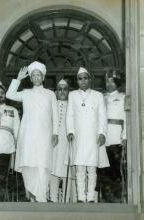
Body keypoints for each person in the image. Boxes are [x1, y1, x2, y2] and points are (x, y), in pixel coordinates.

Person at [6, 61, 58, 202]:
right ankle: (32, 196)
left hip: (45, 134)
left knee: (43, 163)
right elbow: (9, 95)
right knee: (28, 163)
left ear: (42, 77)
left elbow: (55, 115)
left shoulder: (50, 94)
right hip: (28, 134)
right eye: (33, 75)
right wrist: (18, 79)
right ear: (31, 78)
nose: (36, 77)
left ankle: (41, 196)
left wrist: (55, 133)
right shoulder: (26, 93)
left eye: (38, 75)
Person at [66, 67, 109, 203]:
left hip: (93, 137)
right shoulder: (72, 95)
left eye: (85, 78)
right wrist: (70, 131)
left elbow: (103, 116)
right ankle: (80, 197)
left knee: (91, 168)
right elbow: (70, 116)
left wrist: (102, 133)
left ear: (89, 79)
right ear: (77, 81)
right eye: (80, 79)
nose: (82, 81)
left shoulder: (98, 95)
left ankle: (90, 198)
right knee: (79, 168)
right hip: (78, 137)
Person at [99, 69, 127, 203]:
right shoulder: (102, 97)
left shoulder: (122, 97)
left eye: (112, 81)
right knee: (103, 171)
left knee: (116, 171)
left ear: (117, 82)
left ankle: (117, 199)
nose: (109, 84)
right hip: (103, 139)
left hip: (116, 137)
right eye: (107, 81)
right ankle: (105, 199)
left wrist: (125, 135)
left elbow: (126, 118)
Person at [50, 79, 76, 203]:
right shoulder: (51, 105)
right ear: (55, 92)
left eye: (65, 89)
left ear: (68, 91)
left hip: (67, 143)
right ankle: (53, 199)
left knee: (67, 171)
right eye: (59, 89)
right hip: (53, 143)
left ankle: (66, 201)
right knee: (52, 169)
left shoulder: (73, 106)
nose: (62, 91)